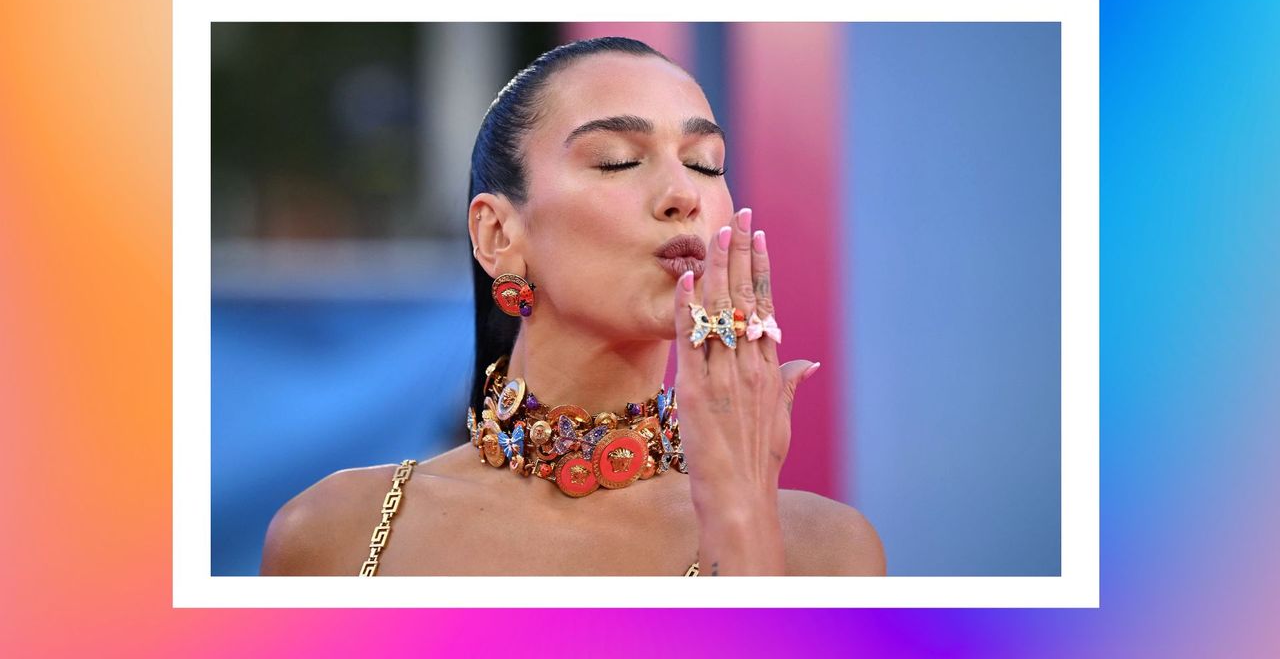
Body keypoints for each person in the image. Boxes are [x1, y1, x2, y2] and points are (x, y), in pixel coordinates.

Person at [259, 36, 885, 576]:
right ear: (497, 236)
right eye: (618, 160)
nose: (681, 194)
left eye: (705, 163)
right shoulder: (337, 533)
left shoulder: (823, 551)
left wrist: (740, 512)